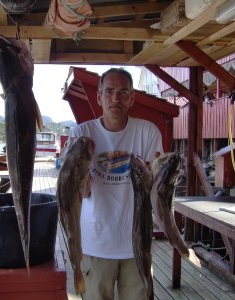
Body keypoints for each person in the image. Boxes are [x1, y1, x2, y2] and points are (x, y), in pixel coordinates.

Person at [67, 68, 163, 299]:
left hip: (137, 244)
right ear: (99, 97)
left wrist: (161, 173)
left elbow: (155, 190)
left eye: (123, 92)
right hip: (94, 244)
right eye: (109, 92)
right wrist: (77, 172)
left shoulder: (147, 131)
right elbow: (82, 193)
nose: (115, 98)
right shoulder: (81, 133)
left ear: (132, 98)